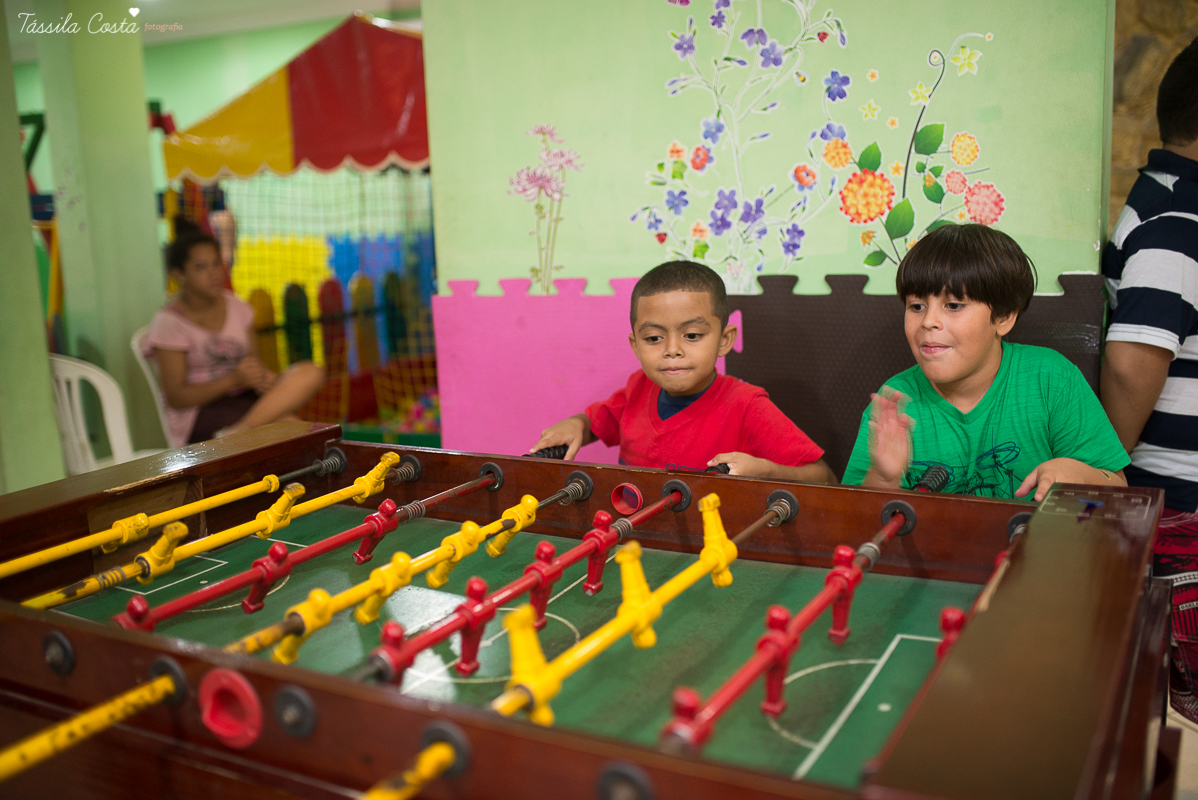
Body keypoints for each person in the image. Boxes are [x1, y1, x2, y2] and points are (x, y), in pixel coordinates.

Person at [842, 223, 1129, 501]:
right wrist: (884, 478)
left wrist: (1077, 473)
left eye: (953, 305)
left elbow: (1118, 488)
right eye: (916, 306)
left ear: (1003, 317)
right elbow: (855, 518)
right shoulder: (894, 402)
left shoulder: (1052, 380)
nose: (928, 321)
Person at [529, 260, 835, 482]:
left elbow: (824, 478)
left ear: (724, 340)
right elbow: (597, 422)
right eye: (653, 339)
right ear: (635, 345)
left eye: (692, 336)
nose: (672, 350)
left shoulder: (747, 406)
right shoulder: (637, 388)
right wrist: (577, 426)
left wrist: (766, 472)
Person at [1100, 37, 1198, 721]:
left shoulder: (1167, 202)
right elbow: (1135, 360)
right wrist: (1105, 473)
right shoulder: (1179, 224)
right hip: (1180, 505)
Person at [144, 218, 325, 448]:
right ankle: (239, 434)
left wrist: (262, 377)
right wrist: (233, 380)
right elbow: (177, 398)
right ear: (179, 275)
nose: (213, 274)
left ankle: (239, 431)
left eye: (215, 264)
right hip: (200, 412)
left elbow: (253, 363)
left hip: (243, 400)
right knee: (290, 426)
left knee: (311, 371)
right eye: (201, 267)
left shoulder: (237, 307)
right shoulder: (169, 322)